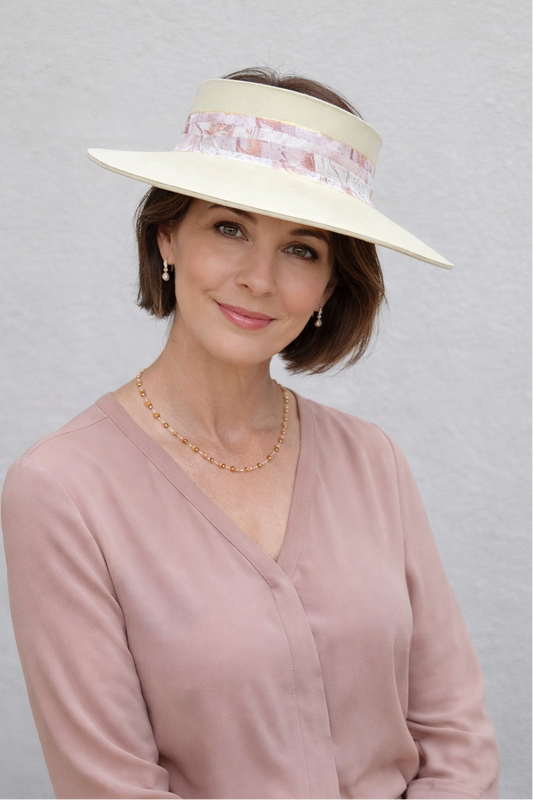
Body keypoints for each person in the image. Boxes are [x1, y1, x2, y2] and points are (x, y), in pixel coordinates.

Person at [1, 67, 499, 800]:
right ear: (168, 237)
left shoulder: (371, 462)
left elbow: (455, 734)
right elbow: (109, 785)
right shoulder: (64, 490)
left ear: (330, 284)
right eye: (229, 228)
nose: (258, 277)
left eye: (300, 248)